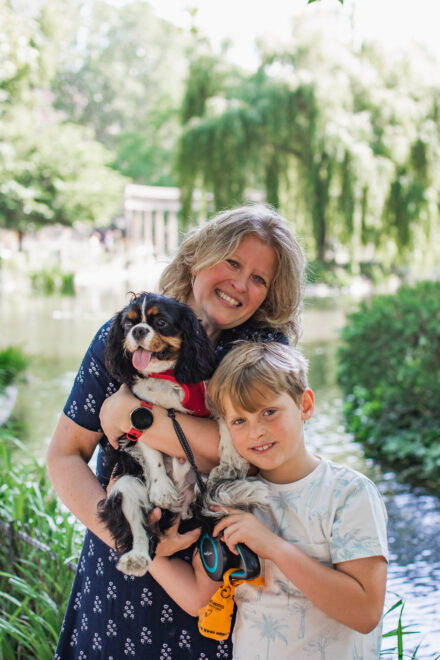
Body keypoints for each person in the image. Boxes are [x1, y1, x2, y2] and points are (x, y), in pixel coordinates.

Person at [46, 205, 306, 660]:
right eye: (232, 262)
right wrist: (135, 541)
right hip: (118, 576)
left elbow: (248, 455)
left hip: (214, 587)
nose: (241, 285)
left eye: (260, 279)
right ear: (197, 257)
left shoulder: (263, 354)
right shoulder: (128, 331)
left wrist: (133, 414)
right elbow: (64, 455)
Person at [149, 342, 389, 660]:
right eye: (239, 421)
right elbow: (197, 598)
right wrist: (146, 549)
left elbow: (365, 613)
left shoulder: (349, 494)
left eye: (269, 412)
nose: (256, 432)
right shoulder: (228, 499)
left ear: (305, 405)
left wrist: (273, 547)